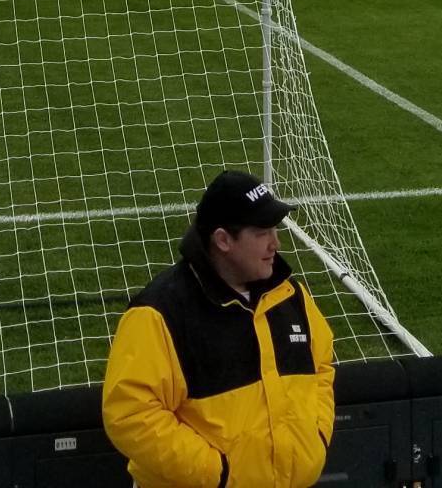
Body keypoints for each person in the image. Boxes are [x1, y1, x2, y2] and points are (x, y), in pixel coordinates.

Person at [103, 170, 333, 488]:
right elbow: (129, 413)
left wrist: (315, 438)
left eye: (275, 230)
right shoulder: (159, 313)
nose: (275, 243)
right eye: (262, 232)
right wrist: (217, 473)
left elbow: (321, 367)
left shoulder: (291, 297)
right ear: (223, 240)